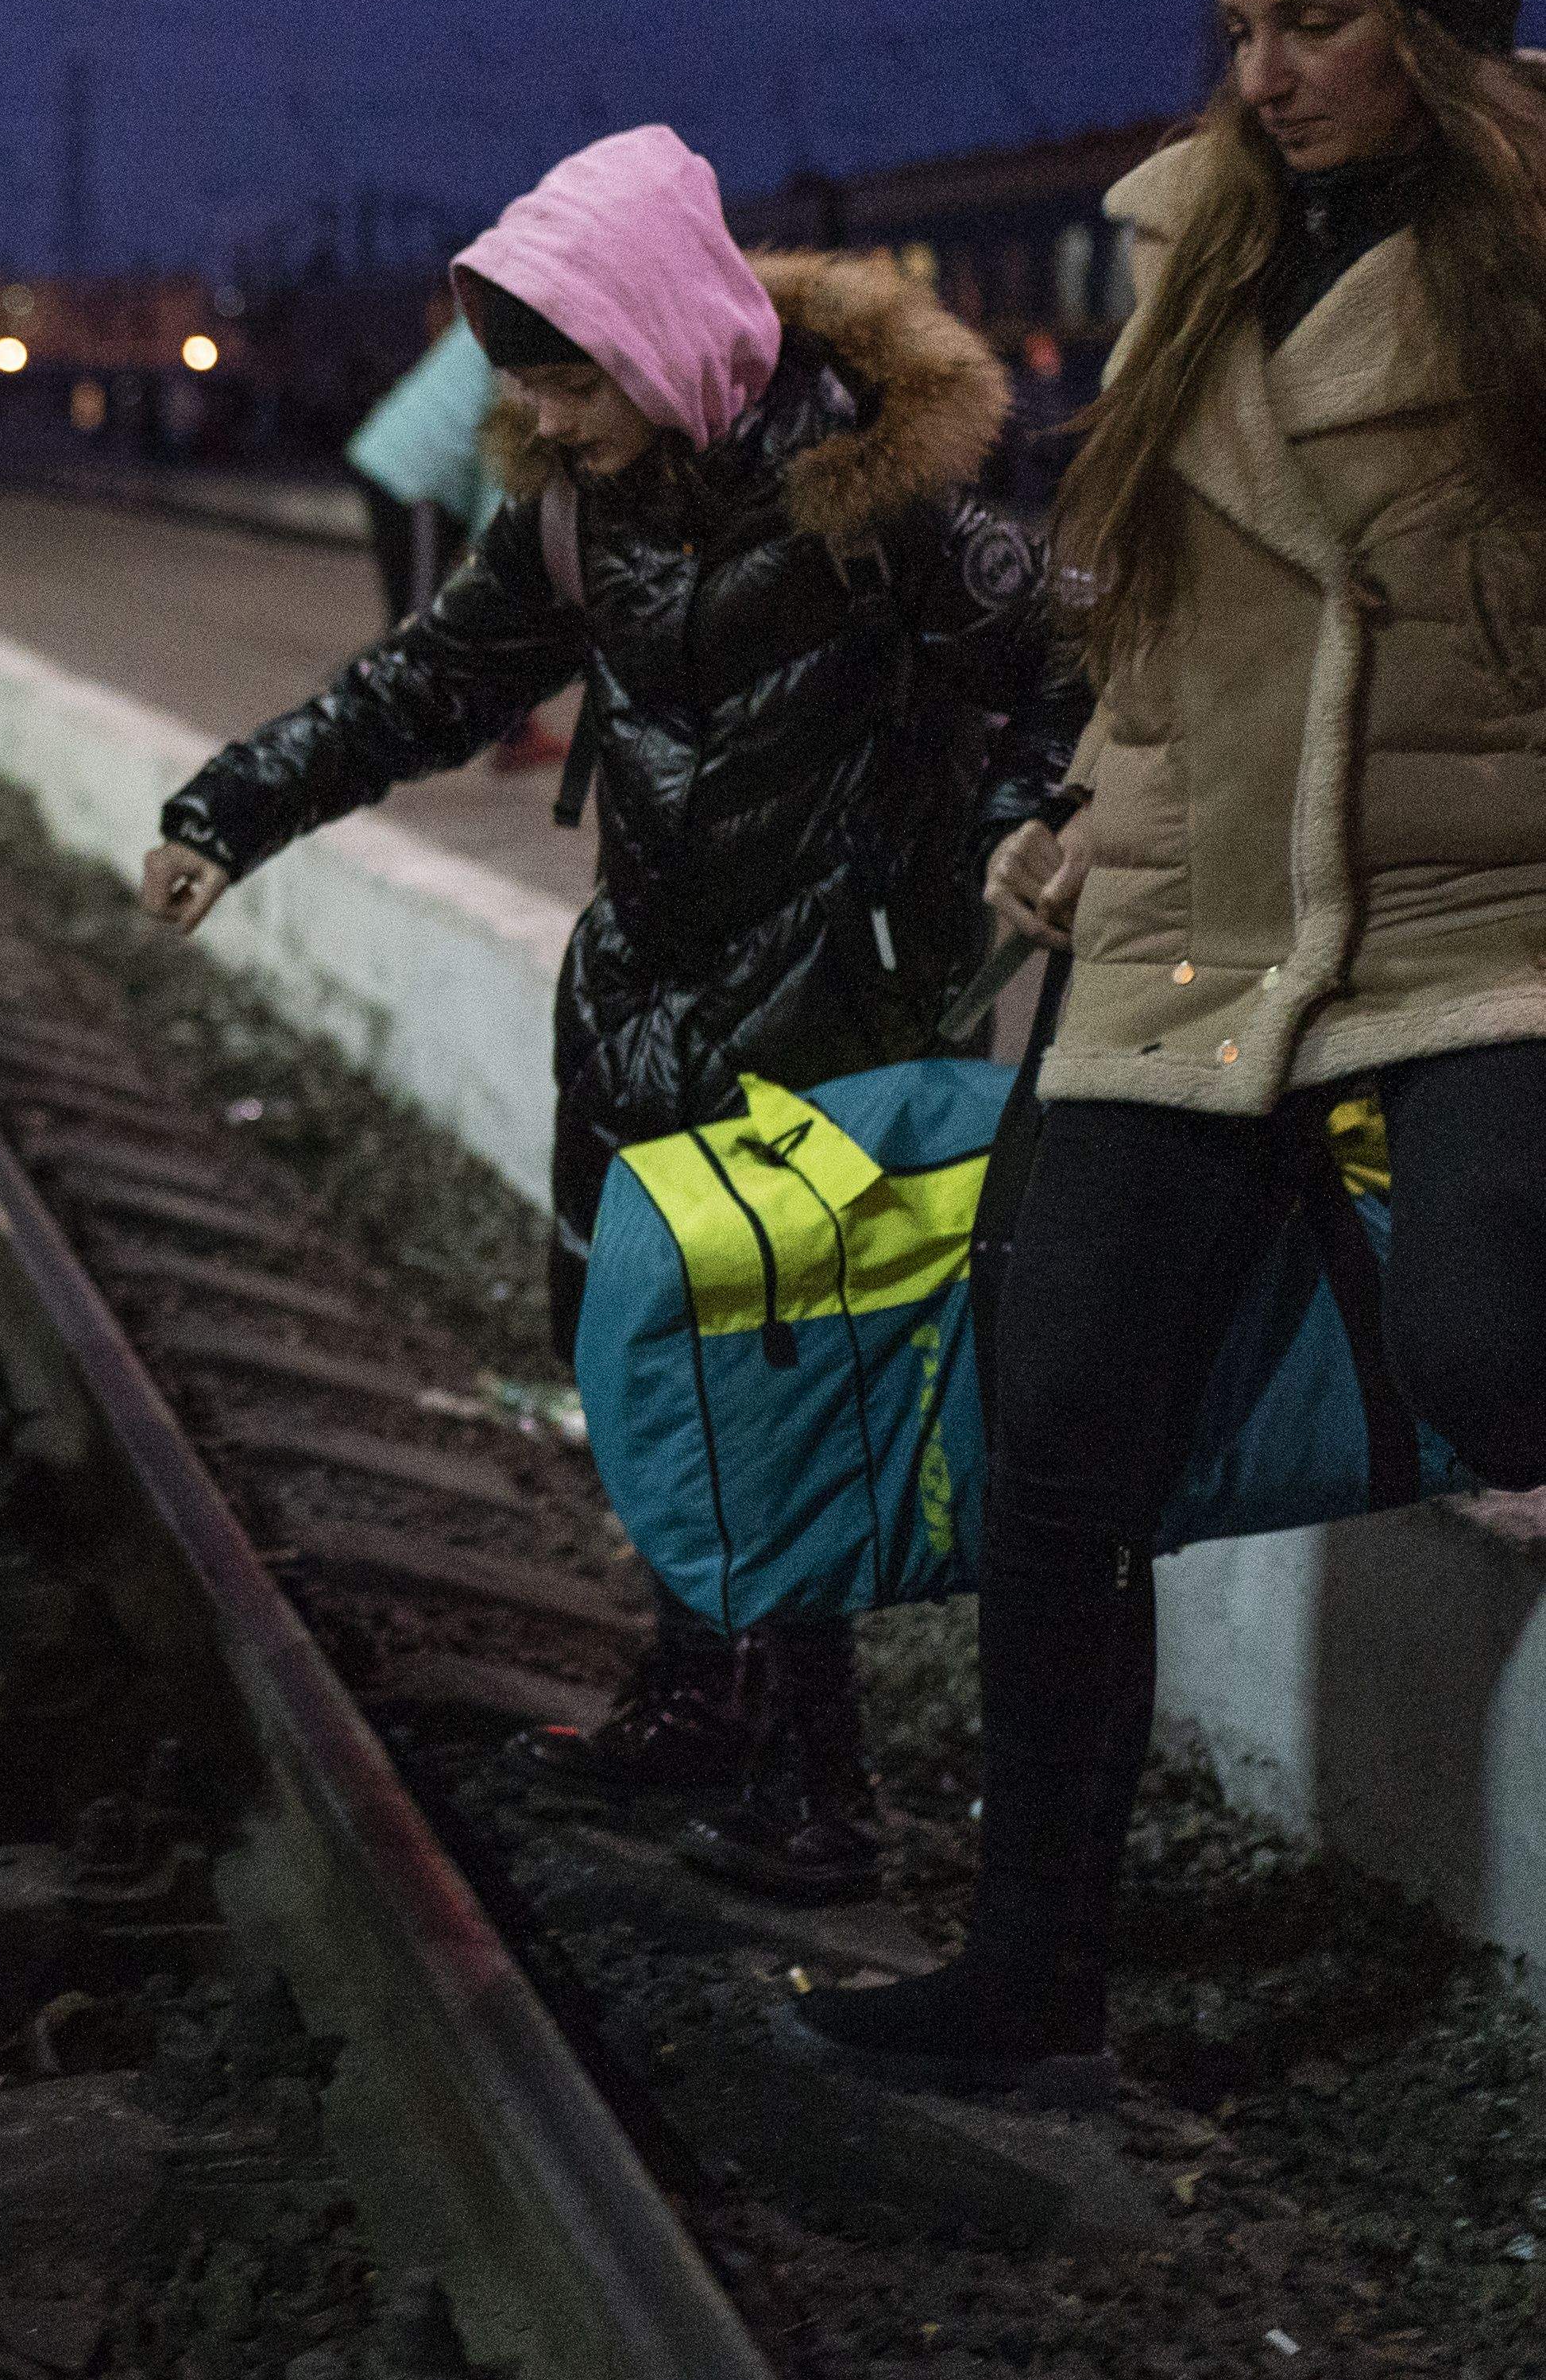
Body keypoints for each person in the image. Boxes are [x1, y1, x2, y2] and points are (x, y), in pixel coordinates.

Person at [794, 0, 1546, 2102]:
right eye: (1233, 23)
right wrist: (1082, 822)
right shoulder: (1189, 249)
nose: (1257, 74)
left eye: (1308, 21)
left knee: (1490, 1336)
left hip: (1470, 916)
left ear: (1426, 23)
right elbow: (1152, 619)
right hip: (1190, 932)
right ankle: (1028, 1977)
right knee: (1057, 1445)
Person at [140, 124, 1085, 1904]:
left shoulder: (897, 517)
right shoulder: (583, 515)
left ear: (660, 343)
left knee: (795, 1376)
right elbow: (426, 683)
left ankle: (825, 1781)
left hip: (840, 1005)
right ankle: (690, 1692)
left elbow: (1068, 674)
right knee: (628, 1341)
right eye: (531, 386)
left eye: (572, 380)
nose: (549, 419)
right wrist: (229, 811)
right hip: (641, 1000)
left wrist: (1040, 814)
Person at [345, 308, 501, 626]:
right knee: (421, 626)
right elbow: (503, 454)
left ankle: (384, 671)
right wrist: (490, 541)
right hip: (418, 475)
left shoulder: (490, 311)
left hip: (399, 458)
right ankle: (383, 674)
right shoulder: (517, 334)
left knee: (418, 615)